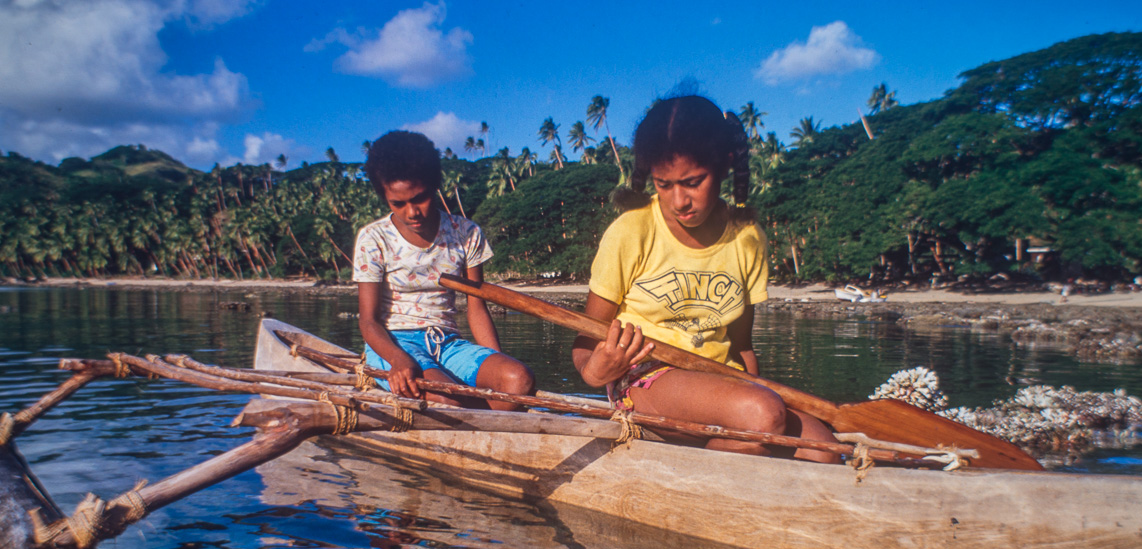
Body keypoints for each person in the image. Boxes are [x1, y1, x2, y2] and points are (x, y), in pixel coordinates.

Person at [571, 96, 837, 461]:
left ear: (726, 165)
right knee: (762, 415)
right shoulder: (631, 231)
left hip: (721, 377)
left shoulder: (747, 237)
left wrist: (757, 399)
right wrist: (595, 372)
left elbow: (741, 345)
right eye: (663, 185)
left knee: (826, 452)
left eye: (693, 182)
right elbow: (586, 339)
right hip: (644, 377)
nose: (678, 201)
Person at [355, 130, 534, 409]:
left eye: (420, 198)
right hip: (394, 343)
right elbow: (368, 321)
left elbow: (476, 307)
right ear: (385, 197)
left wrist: (496, 367)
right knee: (445, 398)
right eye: (398, 204)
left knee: (518, 381)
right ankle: (465, 417)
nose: (412, 212)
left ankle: (482, 426)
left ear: (434, 186)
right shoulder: (373, 238)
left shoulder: (466, 233)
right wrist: (398, 360)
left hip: (446, 343)